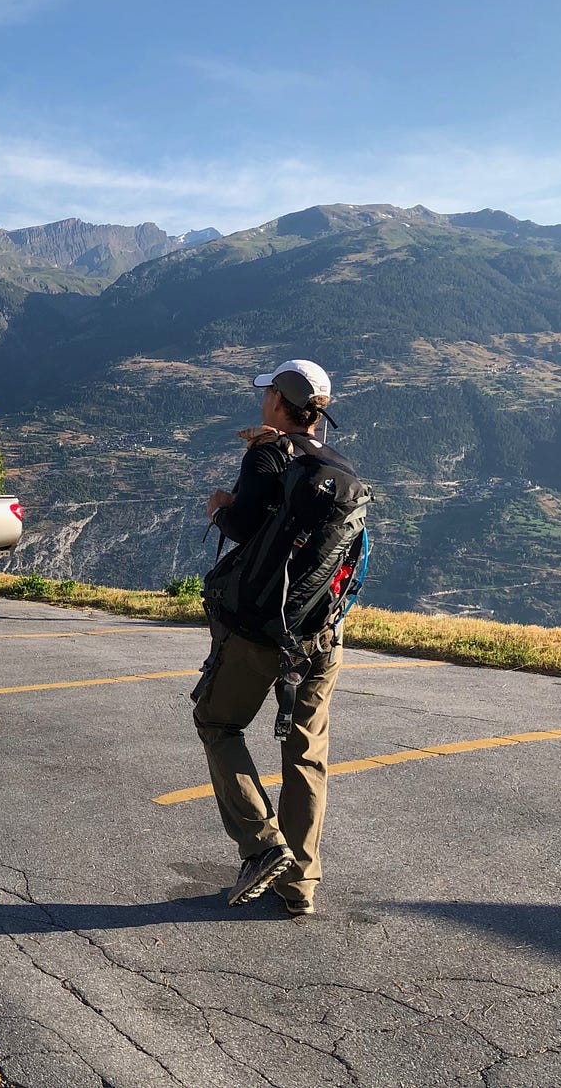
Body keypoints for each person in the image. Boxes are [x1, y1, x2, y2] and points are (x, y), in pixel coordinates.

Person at [193, 358, 350, 917]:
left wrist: (219, 505)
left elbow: (242, 527)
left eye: (268, 396)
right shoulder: (335, 466)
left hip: (262, 632)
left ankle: (262, 846)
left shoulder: (265, 455)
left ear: (281, 403)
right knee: (305, 754)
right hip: (322, 632)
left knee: (217, 721)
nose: (263, 402)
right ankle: (299, 888)